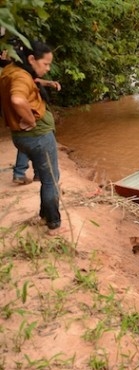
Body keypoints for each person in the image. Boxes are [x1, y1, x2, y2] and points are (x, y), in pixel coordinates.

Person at [0, 40, 65, 236]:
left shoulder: (11, 70)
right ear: (31, 59)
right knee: (51, 181)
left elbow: (26, 89)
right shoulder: (20, 77)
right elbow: (17, 99)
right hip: (37, 137)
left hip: (22, 137)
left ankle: (45, 216)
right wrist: (30, 119)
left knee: (46, 178)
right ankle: (54, 224)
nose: (48, 67)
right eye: (45, 63)